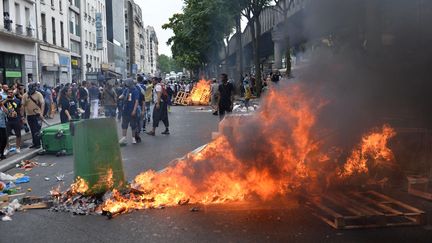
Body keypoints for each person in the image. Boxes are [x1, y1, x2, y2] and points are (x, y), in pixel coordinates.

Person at [22, 82, 44, 149]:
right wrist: (23, 116)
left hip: (37, 115)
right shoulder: (25, 95)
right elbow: (23, 105)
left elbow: (42, 103)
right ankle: (34, 143)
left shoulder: (38, 94)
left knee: (37, 129)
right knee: (32, 130)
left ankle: (38, 144)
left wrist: (41, 113)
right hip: (29, 115)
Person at [119, 78, 140, 145]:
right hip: (125, 109)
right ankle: (124, 138)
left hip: (131, 109)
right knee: (124, 124)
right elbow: (123, 95)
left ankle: (133, 138)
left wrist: (134, 110)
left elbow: (136, 101)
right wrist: (120, 97)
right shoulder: (126, 90)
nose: (125, 85)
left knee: (133, 124)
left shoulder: (135, 91)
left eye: (126, 83)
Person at [4, 88, 23, 154]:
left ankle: (18, 147)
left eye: (11, 92)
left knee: (18, 134)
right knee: (6, 135)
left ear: (13, 93)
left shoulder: (17, 100)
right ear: (7, 93)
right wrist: (6, 100)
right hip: (8, 120)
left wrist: (22, 117)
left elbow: (21, 109)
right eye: (9, 93)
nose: (10, 94)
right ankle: (7, 148)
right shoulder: (5, 101)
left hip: (16, 120)